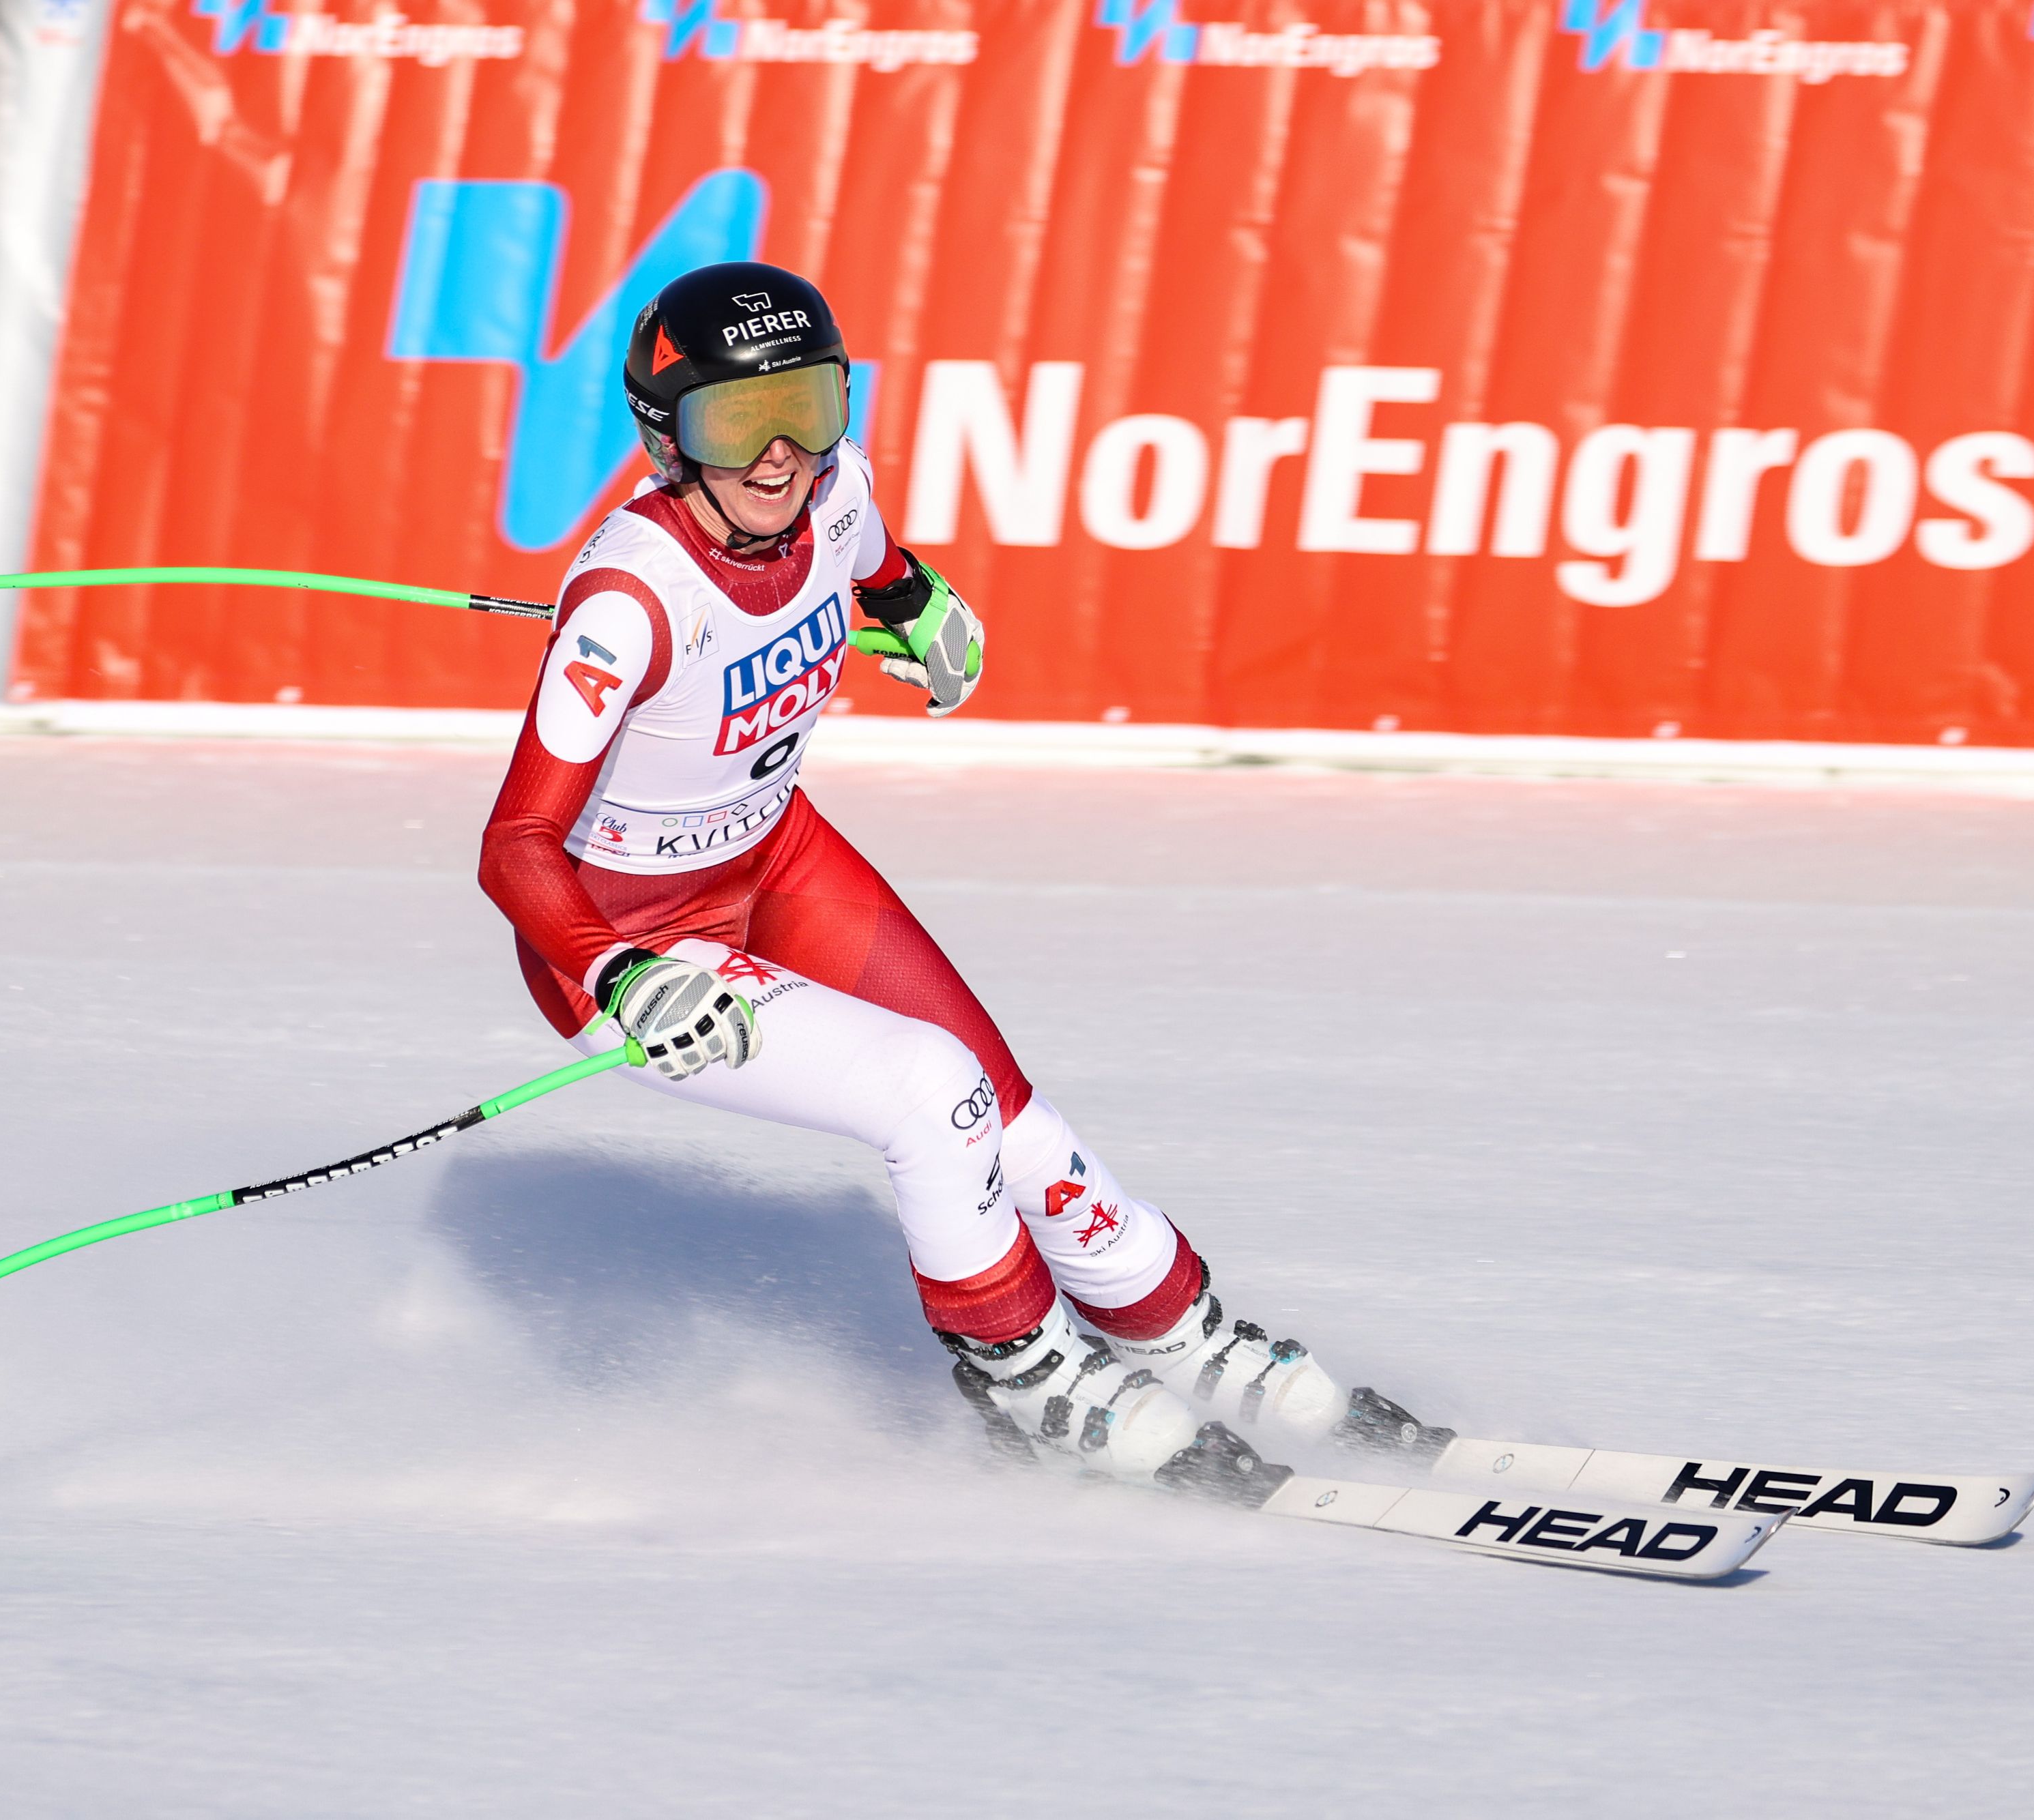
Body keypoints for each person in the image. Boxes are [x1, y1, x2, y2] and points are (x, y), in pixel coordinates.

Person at [478, 261, 1447, 1499]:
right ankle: (1022, 1377)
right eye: (737, 421)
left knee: (1008, 1108)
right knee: (932, 1096)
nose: (782, 457)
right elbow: (516, 845)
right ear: (667, 437)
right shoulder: (626, 604)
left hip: (776, 856)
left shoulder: (835, 500)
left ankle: (1178, 1327)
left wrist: (925, 610)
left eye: (812, 408)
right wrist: (622, 977)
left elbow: (879, 567)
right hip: (629, 934)